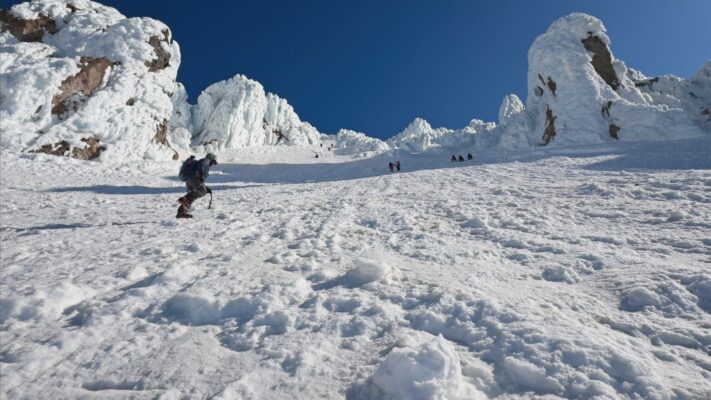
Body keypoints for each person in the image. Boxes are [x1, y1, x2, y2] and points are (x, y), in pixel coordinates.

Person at [176, 153, 218, 218]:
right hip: (194, 177)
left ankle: (181, 212)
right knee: (203, 191)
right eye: (214, 162)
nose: (213, 164)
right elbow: (201, 169)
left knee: (191, 198)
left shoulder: (200, 162)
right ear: (211, 159)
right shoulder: (206, 160)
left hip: (189, 179)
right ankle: (184, 199)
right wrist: (203, 184)